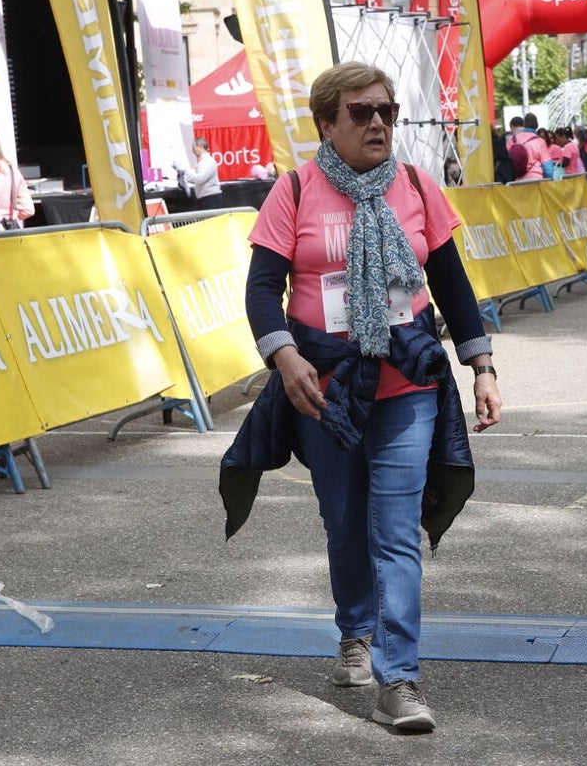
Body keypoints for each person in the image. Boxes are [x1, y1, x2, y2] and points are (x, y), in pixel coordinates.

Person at [220, 61, 502, 732]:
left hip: (408, 384)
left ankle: (398, 679)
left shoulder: (413, 186)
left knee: (396, 532)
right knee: (346, 524)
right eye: (360, 113)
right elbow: (262, 291)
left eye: (386, 111)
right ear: (326, 122)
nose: (377, 123)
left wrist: (482, 365)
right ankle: (355, 630)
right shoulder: (294, 190)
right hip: (327, 388)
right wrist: (283, 356)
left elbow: (453, 284)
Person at [174, 137, 223, 209]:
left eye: (194, 148)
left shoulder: (207, 161)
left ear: (200, 147)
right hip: (205, 199)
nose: (192, 151)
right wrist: (182, 175)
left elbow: (199, 179)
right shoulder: (203, 162)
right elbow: (196, 179)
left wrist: (185, 170)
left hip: (211, 199)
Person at [507, 112, 551, 181]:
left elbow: (507, 162)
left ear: (524, 124)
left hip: (517, 181)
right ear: (537, 125)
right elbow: (548, 168)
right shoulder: (540, 141)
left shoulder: (512, 139)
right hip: (536, 180)